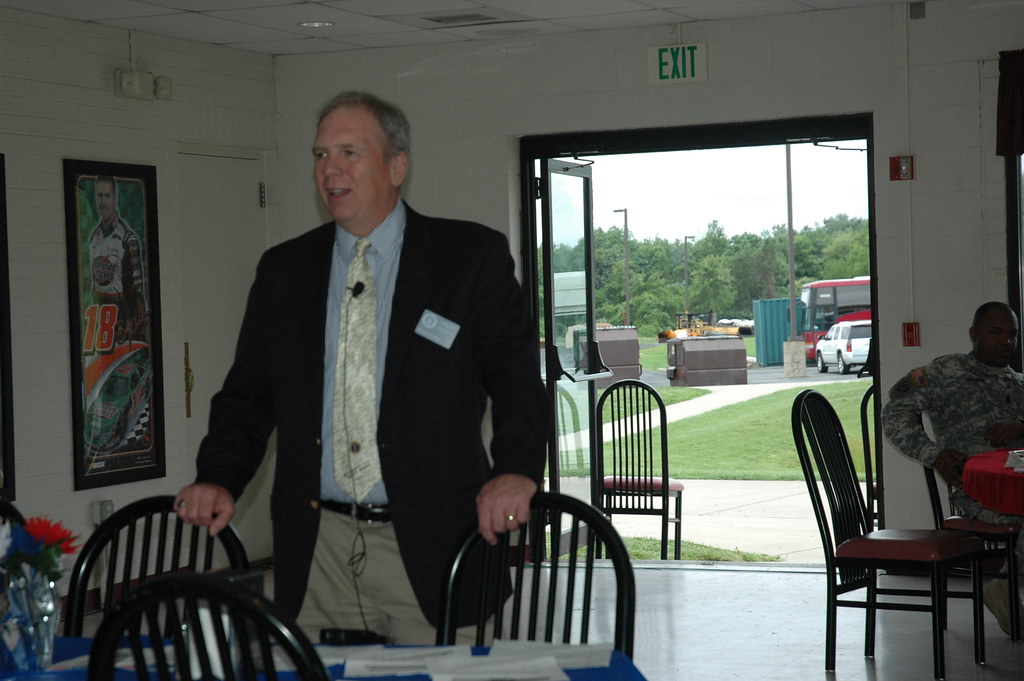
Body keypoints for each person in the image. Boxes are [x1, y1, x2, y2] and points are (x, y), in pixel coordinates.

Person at [174, 91, 548, 645]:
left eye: (349, 153)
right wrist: (217, 476)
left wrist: (516, 469)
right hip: (317, 547)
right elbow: (249, 396)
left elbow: (516, 379)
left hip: (434, 544)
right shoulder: (284, 270)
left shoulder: (468, 258)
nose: (330, 170)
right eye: (320, 155)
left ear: (396, 166)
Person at [882, 300, 1024, 635]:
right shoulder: (947, 372)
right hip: (976, 492)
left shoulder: (1018, 383)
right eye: (996, 332)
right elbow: (894, 412)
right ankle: (1003, 585)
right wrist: (933, 455)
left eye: (1012, 334)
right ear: (974, 334)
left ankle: (1004, 583)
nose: (1006, 341)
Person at [88, 175, 146, 343]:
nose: (103, 202)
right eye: (100, 196)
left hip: (124, 323)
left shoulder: (127, 238)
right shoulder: (94, 237)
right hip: (101, 320)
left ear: (116, 198)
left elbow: (137, 292)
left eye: (107, 196)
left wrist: (136, 329)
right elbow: (93, 286)